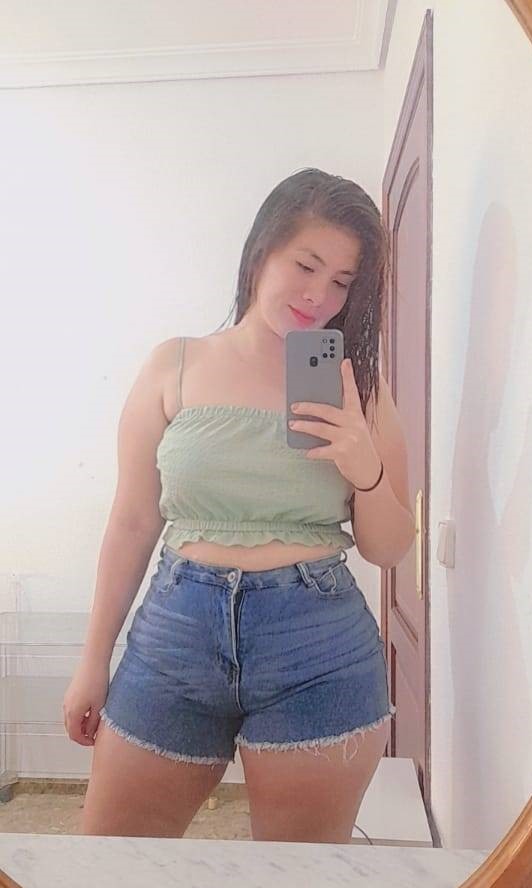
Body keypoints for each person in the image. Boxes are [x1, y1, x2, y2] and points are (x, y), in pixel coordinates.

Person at [63, 167, 415, 843]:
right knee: (112, 857)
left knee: (298, 875)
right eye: (306, 265)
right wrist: (91, 660)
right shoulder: (174, 365)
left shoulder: (358, 387)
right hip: (175, 633)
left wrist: (365, 470)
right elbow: (132, 521)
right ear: (261, 251)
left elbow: (390, 547)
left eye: (342, 282)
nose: (319, 296)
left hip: (319, 645)